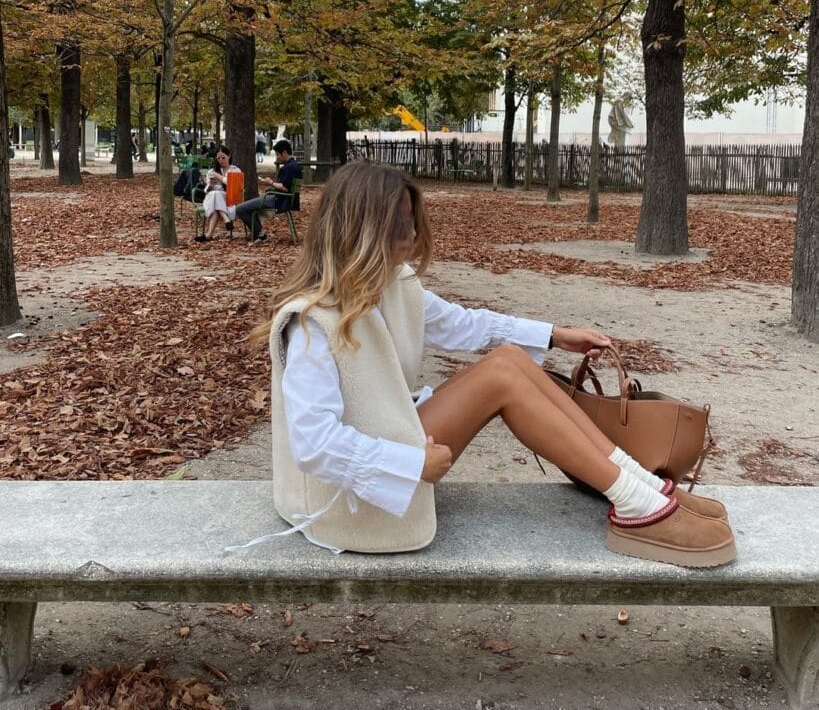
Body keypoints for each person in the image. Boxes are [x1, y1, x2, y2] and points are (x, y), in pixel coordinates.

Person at [239, 162, 735, 564]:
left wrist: (555, 335)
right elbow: (314, 444)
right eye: (400, 226)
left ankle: (641, 488)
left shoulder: (390, 284)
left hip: (393, 450)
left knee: (509, 360)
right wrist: (411, 463)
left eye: (412, 222)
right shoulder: (311, 323)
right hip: (342, 501)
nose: (412, 236)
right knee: (502, 374)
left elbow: (465, 324)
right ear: (361, 232)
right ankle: (637, 502)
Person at [234, 138, 302, 242]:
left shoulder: (289, 168)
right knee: (250, 206)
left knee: (240, 209)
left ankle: (260, 234)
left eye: (277, 154)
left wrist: (271, 183)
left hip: (279, 200)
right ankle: (258, 233)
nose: (277, 157)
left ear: (284, 153)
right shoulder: (296, 165)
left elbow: (285, 188)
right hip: (285, 199)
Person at [196, 145, 241, 242]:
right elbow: (207, 190)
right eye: (218, 158)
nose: (221, 160)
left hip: (229, 199)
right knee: (215, 194)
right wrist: (211, 185)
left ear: (229, 156)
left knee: (216, 197)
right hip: (212, 198)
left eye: (223, 157)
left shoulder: (235, 170)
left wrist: (218, 177)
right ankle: (226, 219)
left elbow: (231, 183)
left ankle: (208, 235)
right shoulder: (212, 171)